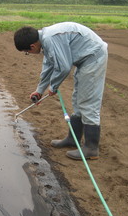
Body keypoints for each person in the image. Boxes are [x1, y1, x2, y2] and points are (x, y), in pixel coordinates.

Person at [14, 22, 108, 160]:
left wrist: (53, 87)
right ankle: (72, 139)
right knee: (77, 100)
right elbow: (49, 66)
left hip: (93, 58)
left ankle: (91, 148)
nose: (30, 54)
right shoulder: (44, 40)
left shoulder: (50, 39)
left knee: (87, 102)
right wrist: (39, 91)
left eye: (27, 52)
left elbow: (63, 67)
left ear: (32, 46)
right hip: (83, 61)